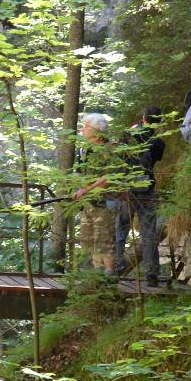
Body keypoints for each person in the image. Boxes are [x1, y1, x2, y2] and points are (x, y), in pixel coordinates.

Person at [114, 107, 166, 287]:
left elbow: (119, 155)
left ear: (143, 118)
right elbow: (156, 159)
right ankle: (151, 274)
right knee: (149, 232)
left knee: (121, 231)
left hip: (126, 190)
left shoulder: (128, 135)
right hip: (146, 190)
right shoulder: (158, 142)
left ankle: (115, 270)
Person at [74, 112, 114, 272]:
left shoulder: (107, 149)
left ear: (96, 130)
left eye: (85, 126)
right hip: (87, 204)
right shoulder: (83, 150)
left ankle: (109, 276)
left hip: (105, 202)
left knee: (104, 241)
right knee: (88, 242)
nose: (82, 129)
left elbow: (108, 178)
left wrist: (86, 189)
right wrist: (78, 189)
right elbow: (79, 174)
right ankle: (96, 276)